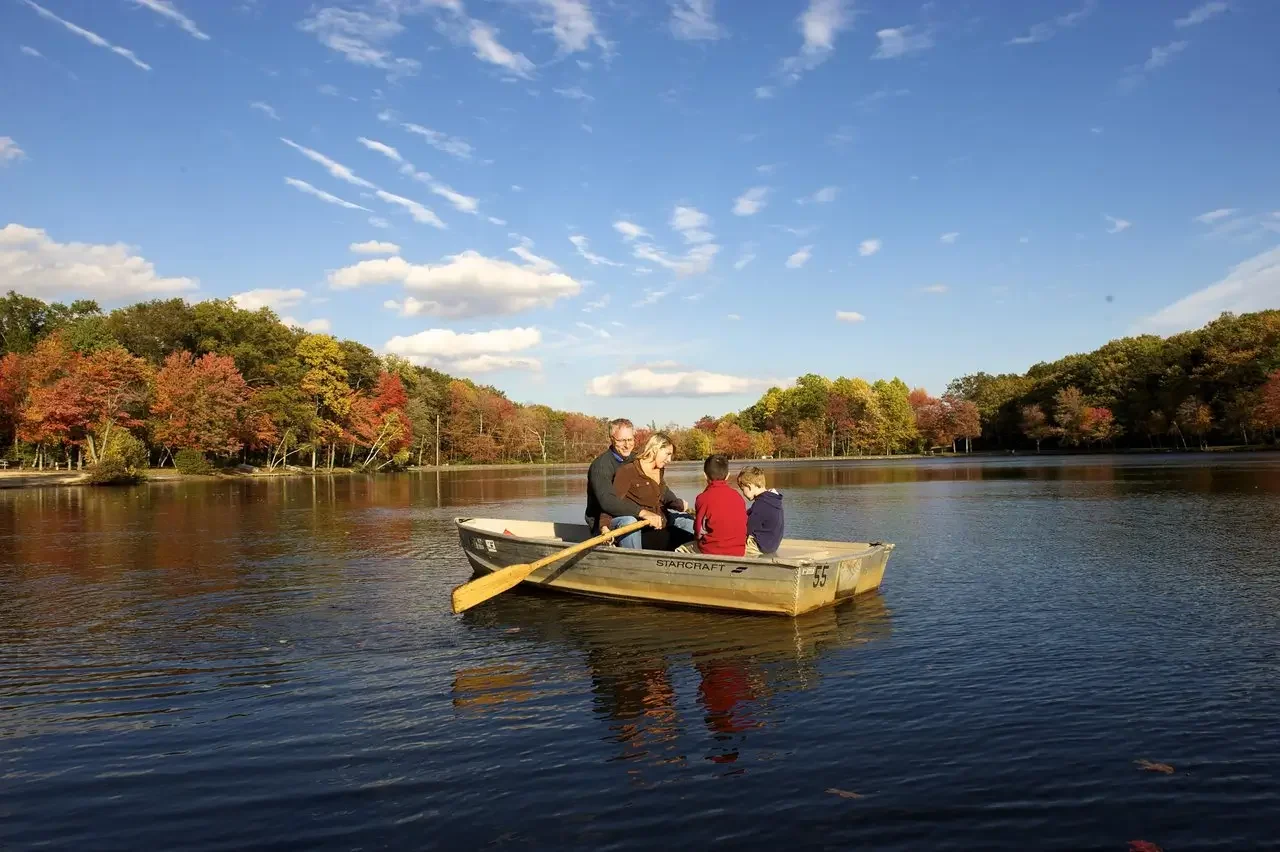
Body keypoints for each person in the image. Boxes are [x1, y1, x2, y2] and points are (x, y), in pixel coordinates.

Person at [601, 432, 695, 550]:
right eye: (667, 454)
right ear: (655, 449)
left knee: (688, 521)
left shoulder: (659, 469)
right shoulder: (628, 471)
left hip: (659, 520)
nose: (669, 459)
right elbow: (612, 503)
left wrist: (677, 503)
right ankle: (635, 561)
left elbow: (663, 492)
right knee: (630, 521)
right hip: (638, 525)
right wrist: (604, 526)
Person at [585, 418, 665, 536]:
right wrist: (642, 512)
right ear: (611, 439)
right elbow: (607, 502)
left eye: (630, 439)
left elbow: (655, 486)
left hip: (636, 515)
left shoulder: (637, 459)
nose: (627, 445)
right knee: (629, 522)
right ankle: (635, 554)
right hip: (603, 523)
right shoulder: (601, 466)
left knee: (681, 520)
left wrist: (675, 502)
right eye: (622, 440)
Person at [675, 454, 747, 556]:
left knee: (680, 550)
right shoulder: (738, 497)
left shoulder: (702, 498)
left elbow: (698, 531)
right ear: (728, 475)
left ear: (705, 475)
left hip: (711, 550)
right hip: (738, 551)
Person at [737, 466, 784, 557]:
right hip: (772, 544)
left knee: (731, 546)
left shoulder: (760, 505)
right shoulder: (772, 500)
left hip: (759, 546)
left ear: (749, 486)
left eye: (743, 490)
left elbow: (748, 528)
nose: (743, 493)